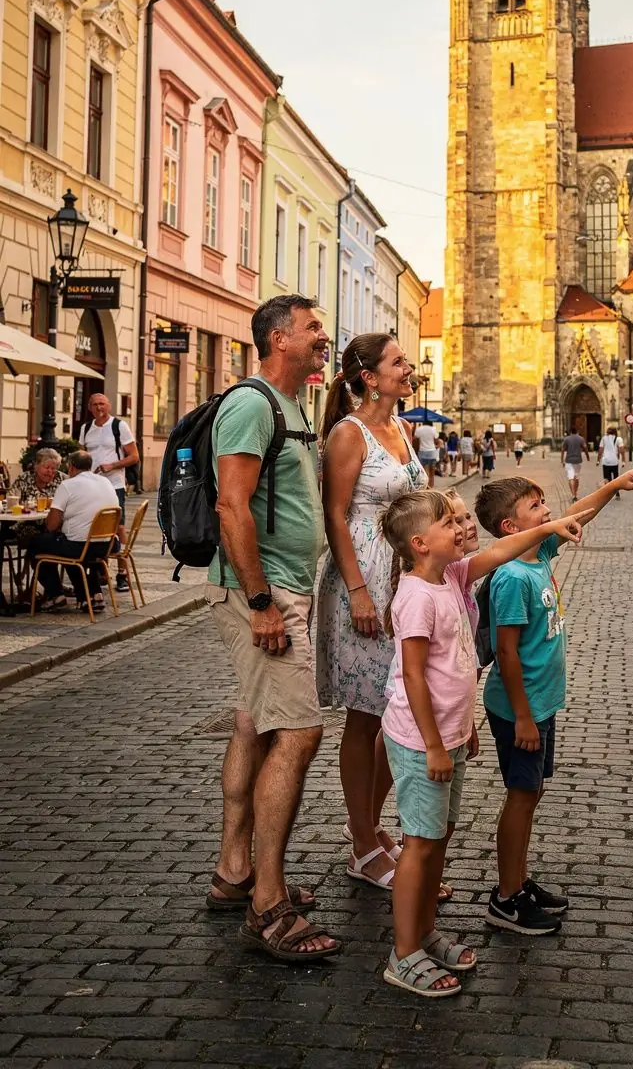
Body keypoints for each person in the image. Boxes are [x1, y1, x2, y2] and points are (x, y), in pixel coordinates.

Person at [379, 488, 584, 996]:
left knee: (439, 839)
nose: (462, 529)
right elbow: (414, 678)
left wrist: (463, 726)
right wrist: (431, 743)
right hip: (419, 741)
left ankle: (424, 932)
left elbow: (497, 553)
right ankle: (402, 953)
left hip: (447, 735)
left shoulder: (449, 576)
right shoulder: (415, 598)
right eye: (451, 523)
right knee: (419, 845)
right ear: (422, 543)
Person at [206, 294, 340, 963]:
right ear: (279, 337)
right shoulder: (251, 404)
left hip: (286, 588)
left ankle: (235, 872)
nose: (324, 336)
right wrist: (260, 600)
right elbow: (233, 506)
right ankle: (268, 905)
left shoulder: (293, 406)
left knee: (252, 723)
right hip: (261, 594)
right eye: (314, 328)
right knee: (300, 731)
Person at [474, 463, 633, 936]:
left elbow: (578, 513)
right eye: (536, 507)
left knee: (531, 794)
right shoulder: (512, 577)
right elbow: (506, 654)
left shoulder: (539, 554)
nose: (548, 510)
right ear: (511, 527)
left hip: (538, 706)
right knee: (521, 796)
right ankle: (506, 899)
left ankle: (518, 879)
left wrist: (614, 484)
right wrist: (525, 718)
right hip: (519, 710)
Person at [317, 333, 427, 893]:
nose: (409, 369)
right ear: (368, 376)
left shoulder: (403, 430)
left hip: (404, 579)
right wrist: (359, 591)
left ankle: (369, 823)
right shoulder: (348, 433)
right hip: (363, 578)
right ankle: (363, 843)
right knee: (365, 716)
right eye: (398, 362)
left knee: (399, 710)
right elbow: (336, 516)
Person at [27, 451, 119, 611]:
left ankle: (56, 594)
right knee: (67, 544)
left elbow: (51, 526)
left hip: (81, 546)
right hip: (108, 544)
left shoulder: (68, 485)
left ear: (71, 467)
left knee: (36, 545)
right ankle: (89, 597)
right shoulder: (106, 482)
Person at [80, 393, 140, 591]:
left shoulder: (119, 426)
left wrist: (112, 465)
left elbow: (134, 456)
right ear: (90, 407)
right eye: (95, 404)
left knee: (118, 527)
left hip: (114, 484)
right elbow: (82, 455)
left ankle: (122, 573)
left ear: (109, 406)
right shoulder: (86, 428)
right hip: (91, 485)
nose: (99, 408)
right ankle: (99, 569)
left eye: (102, 404)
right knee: (92, 526)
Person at [560, 427, 589, 502]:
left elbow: (562, 450)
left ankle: (573, 495)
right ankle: (575, 493)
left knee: (571, 478)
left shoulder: (566, 439)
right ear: (577, 431)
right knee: (576, 477)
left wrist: (562, 460)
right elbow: (585, 448)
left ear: (570, 432)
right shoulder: (581, 438)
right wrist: (587, 456)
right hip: (578, 460)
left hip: (569, 460)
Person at [597, 425, 625, 496]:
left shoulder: (603, 439)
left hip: (606, 461)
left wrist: (598, 460)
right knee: (616, 477)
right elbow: (622, 450)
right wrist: (624, 460)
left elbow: (600, 450)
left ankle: (608, 492)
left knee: (607, 478)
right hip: (615, 461)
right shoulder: (619, 439)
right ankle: (616, 491)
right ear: (615, 432)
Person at [414, 418, 439, 487]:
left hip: (422, 452)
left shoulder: (419, 429)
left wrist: (416, 450)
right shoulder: (433, 429)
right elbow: (436, 440)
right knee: (432, 472)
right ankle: (431, 487)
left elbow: (415, 440)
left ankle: (424, 487)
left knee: (422, 472)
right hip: (432, 452)